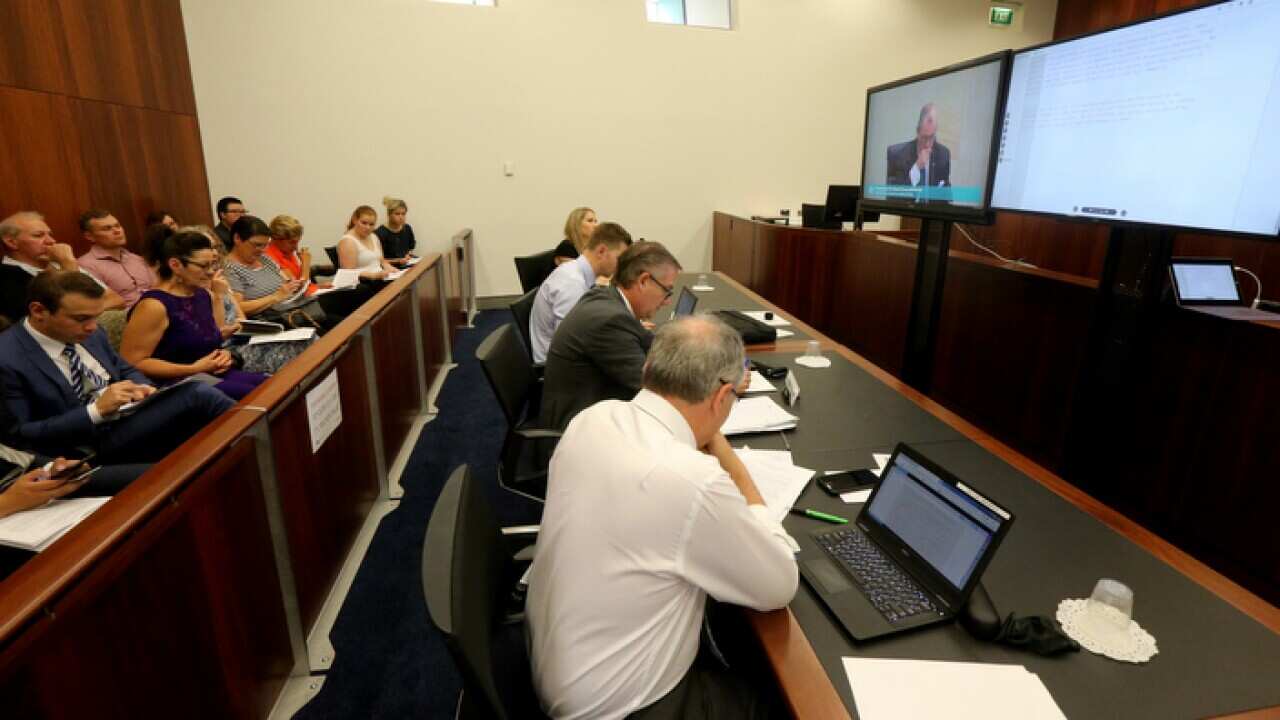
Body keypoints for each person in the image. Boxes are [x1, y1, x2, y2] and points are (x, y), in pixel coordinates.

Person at [527, 314, 799, 719]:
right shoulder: (691, 480)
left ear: (648, 370)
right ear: (722, 396)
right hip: (619, 706)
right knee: (779, 699)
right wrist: (734, 467)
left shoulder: (592, 418)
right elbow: (779, 585)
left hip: (559, 663)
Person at [0, 271, 235, 464]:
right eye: (81, 319)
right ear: (39, 311)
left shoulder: (90, 333)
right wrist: (96, 411)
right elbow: (21, 434)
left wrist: (142, 387)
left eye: (96, 317)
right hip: (83, 445)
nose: (93, 327)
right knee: (198, 394)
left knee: (206, 426)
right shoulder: (7, 358)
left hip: (128, 416)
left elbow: (125, 369)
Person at [540, 241, 681, 430]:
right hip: (581, 428)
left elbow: (649, 344)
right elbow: (654, 388)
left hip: (594, 406)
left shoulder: (606, 298)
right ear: (643, 281)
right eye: (667, 291)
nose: (667, 301)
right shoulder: (610, 320)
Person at [120, 231, 267, 400]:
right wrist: (193, 369)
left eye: (213, 264)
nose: (211, 272)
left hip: (207, 373)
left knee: (271, 385)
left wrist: (222, 356)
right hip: (176, 382)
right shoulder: (154, 305)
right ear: (175, 265)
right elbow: (133, 362)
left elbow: (211, 341)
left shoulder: (203, 295)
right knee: (256, 397)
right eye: (203, 266)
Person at [529, 222, 632, 364]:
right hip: (557, 365)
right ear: (601, 251)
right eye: (619, 259)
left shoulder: (578, 272)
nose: (621, 266)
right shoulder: (572, 284)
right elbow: (569, 345)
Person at [0, 211, 125, 323]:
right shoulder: (6, 278)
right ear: (12, 242)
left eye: (50, 234)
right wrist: (69, 265)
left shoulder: (58, 263)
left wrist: (88, 310)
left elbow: (117, 300)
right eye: (38, 235)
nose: (51, 241)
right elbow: (63, 317)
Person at [223, 215, 325, 326]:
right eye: (257, 245)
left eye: (265, 245)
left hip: (292, 312)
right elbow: (237, 307)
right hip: (273, 322)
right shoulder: (229, 268)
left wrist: (294, 286)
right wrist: (274, 297)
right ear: (237, 238)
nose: (262, 250)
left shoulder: (264, 258)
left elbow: (289, 281)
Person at [267, 215, 366, 324]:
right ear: (276, 238)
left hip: (310, 295)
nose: (296, 247)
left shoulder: (288, 251)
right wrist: (306, 264)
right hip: (299, 303)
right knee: (357, 294)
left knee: (359, 290)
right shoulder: (270, 256)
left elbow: (302, 281)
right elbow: (296, 288)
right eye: (292, 242)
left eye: (297, 242)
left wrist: (318, 286)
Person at [76, 209, 157, 308]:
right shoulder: (86, 265)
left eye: (117, 226)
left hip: (157, 309)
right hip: (126, 314)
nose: (117, 231)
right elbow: (98, 304)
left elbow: (158, 287)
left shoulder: (136, 258)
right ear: (89, 236)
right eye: (107, 228)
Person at [886, 102, 951, 192]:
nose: (927, 144)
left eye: (931, 137)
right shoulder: (896, 154)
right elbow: (892, 192)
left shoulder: (944, 154)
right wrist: (916, 168)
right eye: (924, 138)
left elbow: (946, 191)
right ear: (917, 131)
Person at [337, 205, 396, 280]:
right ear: (354, 220)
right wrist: (374, 275)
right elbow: (349, 273)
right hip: (363, 283)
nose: (368, 227)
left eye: (371, 224)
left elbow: (382, 261)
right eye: (364, 223)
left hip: (380, 278)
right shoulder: (348, 242)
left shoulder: (374, 236)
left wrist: (390, 268)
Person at [374, 196, 416, 264]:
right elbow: (378, 260)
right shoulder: (380, 233)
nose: (401, 217)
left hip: (407, 264)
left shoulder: (407, 228)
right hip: (389, 267)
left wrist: (408, 255)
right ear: (389, 215)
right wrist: (397, 261)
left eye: (403, 214)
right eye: (397, 214)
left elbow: (411, 248)